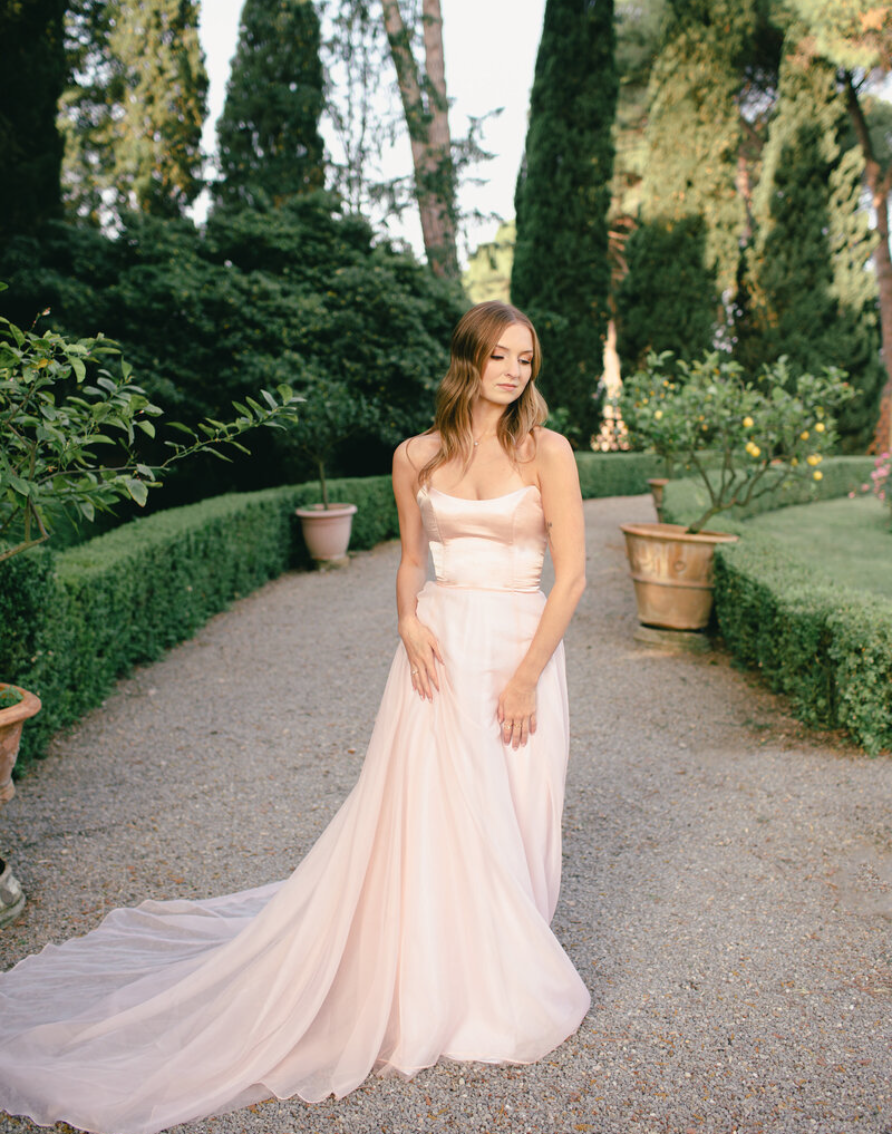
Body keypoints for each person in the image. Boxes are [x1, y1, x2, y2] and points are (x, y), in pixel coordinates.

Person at [0, 301, 590, 1134]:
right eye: (498, 356)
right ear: (468, 362)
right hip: (440, 650)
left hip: (521, 652)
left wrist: (528, 676)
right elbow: (413, 560)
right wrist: (408, 622)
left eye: (525, 359)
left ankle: (503, 954)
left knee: (516, 800)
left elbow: (569, 578)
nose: (513, 372)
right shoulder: (415, 455)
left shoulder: (549, 451)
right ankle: (438, 970)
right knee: (434, 812)